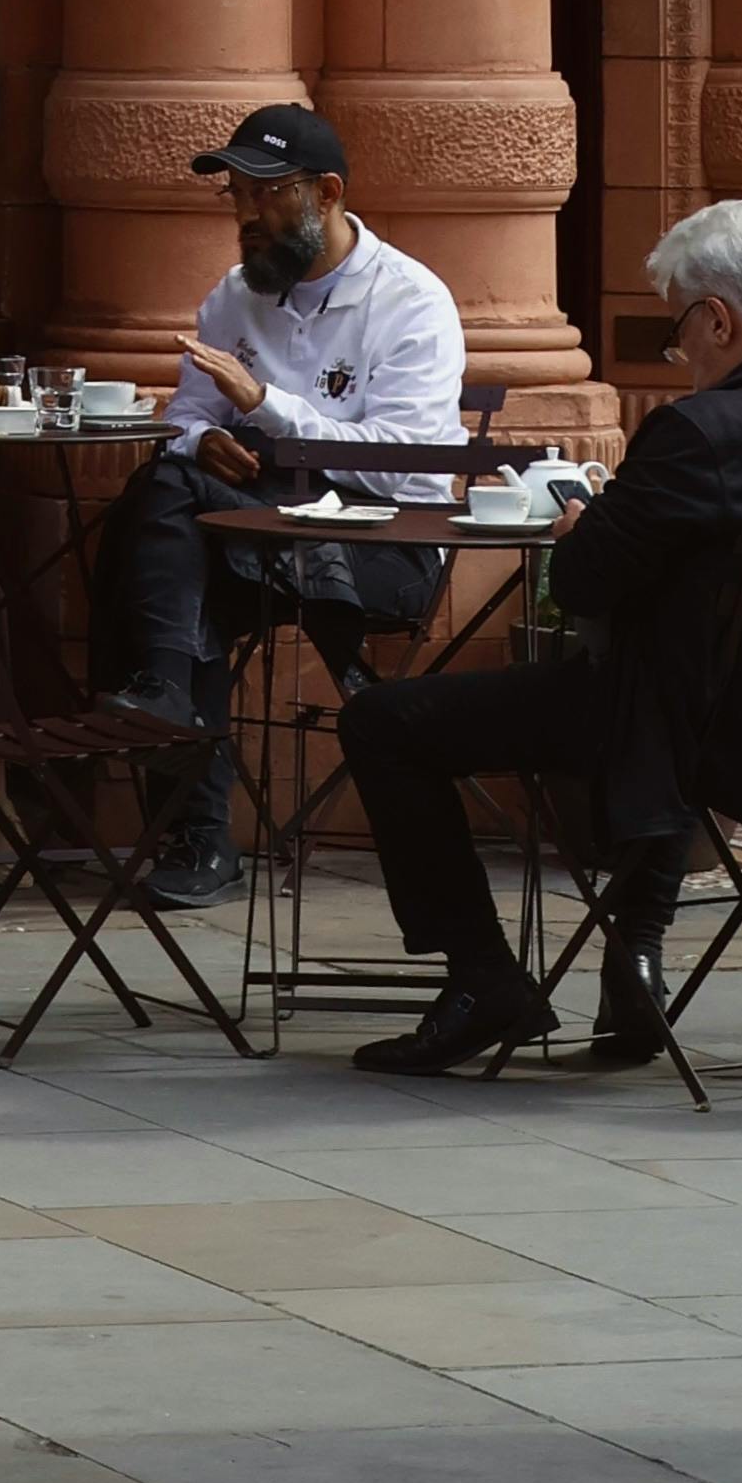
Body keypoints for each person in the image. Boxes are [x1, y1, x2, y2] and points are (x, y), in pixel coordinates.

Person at [337, 198, 742, 1080]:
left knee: (384, 720)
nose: (680, 351)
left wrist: (583, 534)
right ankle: (632, 958)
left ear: (716, 318)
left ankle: (485, 980)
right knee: (666, 689)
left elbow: (582, 586)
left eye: (679, 324)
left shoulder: (697, 433)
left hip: (674, 732)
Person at [81, 106, 463, 910]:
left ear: (326, 194)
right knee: (169, 514)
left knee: (163, 532)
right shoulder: (235, 295)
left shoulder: (411, 300)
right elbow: (186, 417)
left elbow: (400, 467)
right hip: (255, 530)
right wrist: (200, 443)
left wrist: (264, 409)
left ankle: (184, 785)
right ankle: (168, 706)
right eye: (235, 195)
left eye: (266, 193)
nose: (245, 215)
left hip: (384, 547)